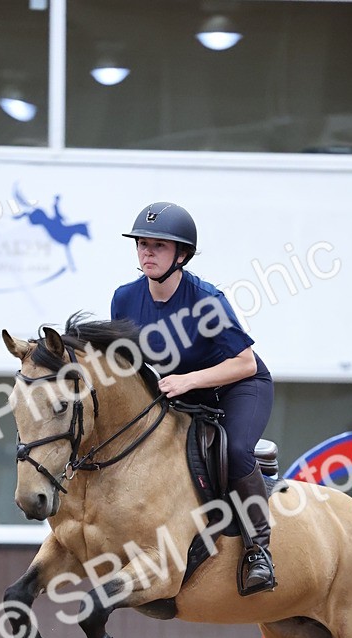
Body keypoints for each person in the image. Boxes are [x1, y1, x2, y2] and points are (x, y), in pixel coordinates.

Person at [111, 201, 276, 595]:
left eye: (158, 246)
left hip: (238, 386)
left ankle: (258, 551)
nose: (147, 252)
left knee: (235, 450)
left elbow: (245, 363)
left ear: (181, 254)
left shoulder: (205, 299)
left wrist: (186, 381)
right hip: (183, 389)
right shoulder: (124, 299)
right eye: (142, 245)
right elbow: (123, 364)